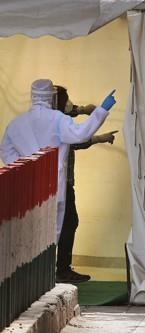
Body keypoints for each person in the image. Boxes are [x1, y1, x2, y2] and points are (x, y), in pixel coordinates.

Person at [0, 79, 116, 242]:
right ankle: (49, 267)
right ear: (51, 97)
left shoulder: (16, 124)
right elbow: (81, 134)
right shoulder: (58, 120)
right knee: (50, 238)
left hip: (25, 187)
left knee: (27, 239)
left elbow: (5, 151)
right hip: (53, 187)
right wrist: (102, 110)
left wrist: (26, 167)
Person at [52, 85, 118, 283]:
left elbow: (70, 111)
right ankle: (61, 270)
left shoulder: (53, 117)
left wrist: (82, 110)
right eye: (67, 99)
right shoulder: (57, 123)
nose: (70, 103)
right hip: (60, 184)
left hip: (59, 183)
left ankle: (59, 268)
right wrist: (100, 137)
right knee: (68, 223)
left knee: (65, 224)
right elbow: (77, 140)